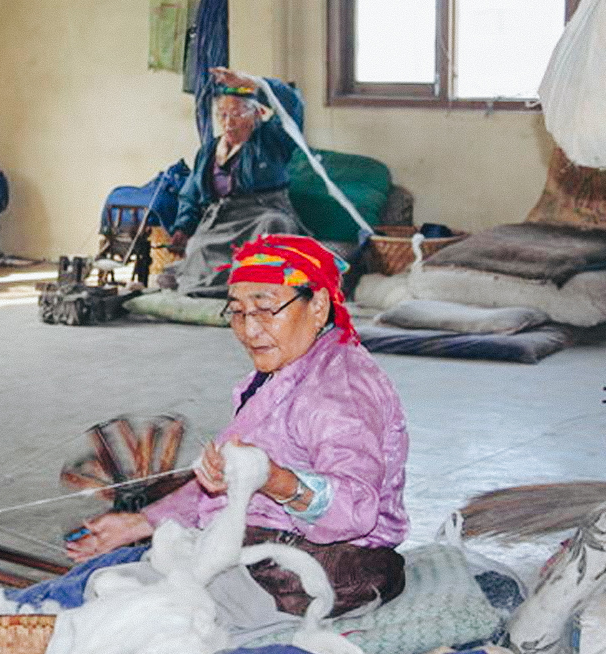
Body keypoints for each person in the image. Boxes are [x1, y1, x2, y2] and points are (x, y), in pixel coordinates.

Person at [67, 234, 409, 617]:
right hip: (271, 542)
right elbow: (222, 487)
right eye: (237, 312)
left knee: (135, 603)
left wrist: (273, 478)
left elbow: (356, 509)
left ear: (318, 305)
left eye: (265, 310)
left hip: (336, 560)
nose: (249, 330)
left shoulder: (338, 391)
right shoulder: (283, 371)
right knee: (122, 585)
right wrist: (141, 522)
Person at [164, 68, 311, 297]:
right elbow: (191, 192)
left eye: (236, 114)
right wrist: (183, 226)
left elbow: (292, 105)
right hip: (223, 218)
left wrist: (254, 83)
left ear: (258, 114)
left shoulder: (272, 140)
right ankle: (214, 287)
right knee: (198, 246)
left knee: (274, 230)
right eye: (222, 114)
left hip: (264, 212)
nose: (228, 122)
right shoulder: (209, 150)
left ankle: (258, 289)